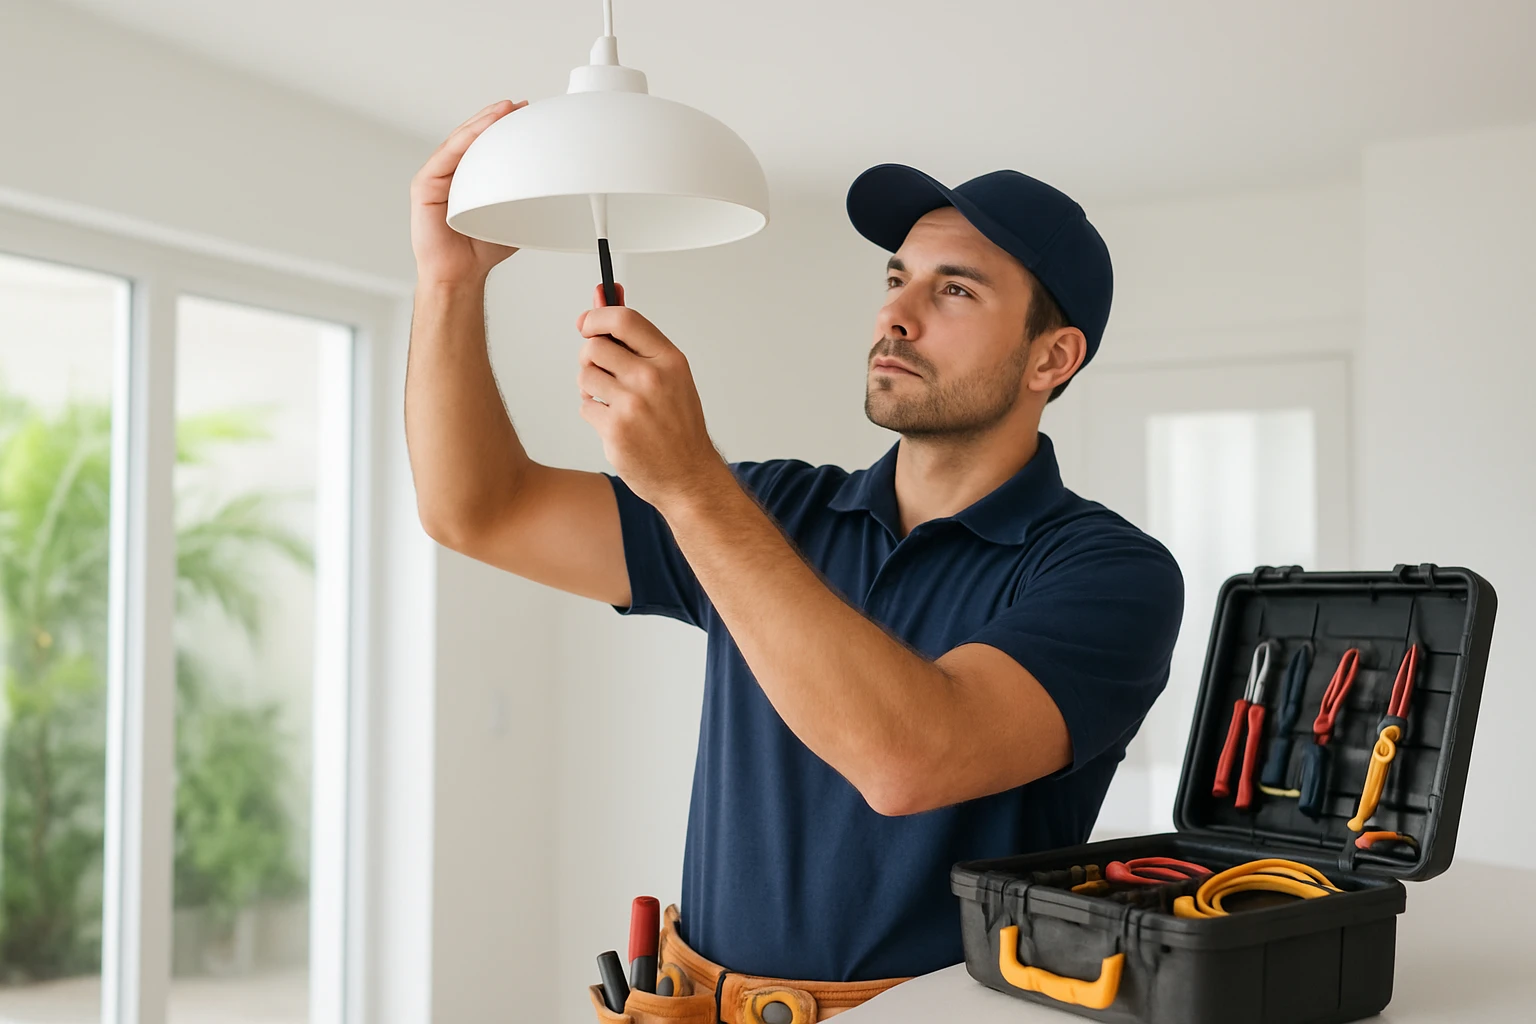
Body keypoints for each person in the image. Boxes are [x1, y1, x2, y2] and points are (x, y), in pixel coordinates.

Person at [406, 100, 1184, 1008]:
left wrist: (693, 486)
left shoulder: (1107, 572)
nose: (895, 315)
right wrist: (448, 284)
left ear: (1051, 358)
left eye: (955, 290)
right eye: (896, 279)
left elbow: (907, 761)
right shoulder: (774, 508)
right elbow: (479, 509)